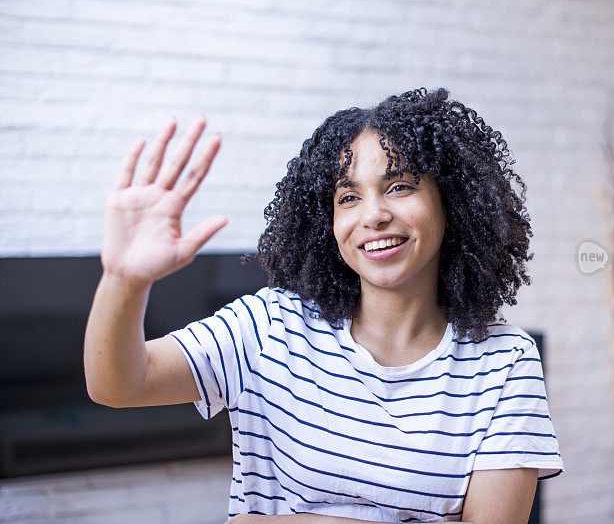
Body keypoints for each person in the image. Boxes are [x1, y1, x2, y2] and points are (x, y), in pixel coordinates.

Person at [84, 87, 564, 524]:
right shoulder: (270, 326)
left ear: (450, 203)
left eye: (400, 187)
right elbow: (118, 385)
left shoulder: (505, 361)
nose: (374, 215)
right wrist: (123, 281)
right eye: (349, 196)